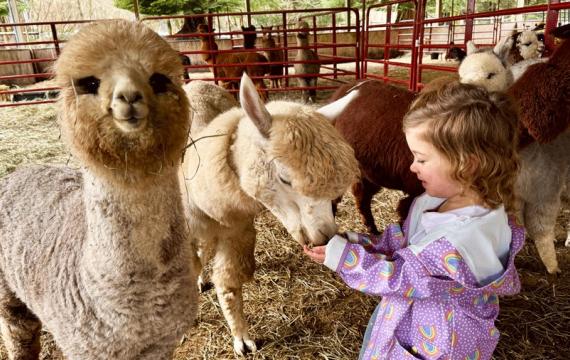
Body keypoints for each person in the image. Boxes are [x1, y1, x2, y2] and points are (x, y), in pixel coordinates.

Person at [304, 81, 524, 360]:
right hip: (414, 321)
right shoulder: (434, 201)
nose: (411, 166)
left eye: (421, 158)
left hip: (439, 342)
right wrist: (357, 242)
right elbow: (403, 242)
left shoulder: (460, 242)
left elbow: (400, 277)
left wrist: (345, 257)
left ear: (466, 164)